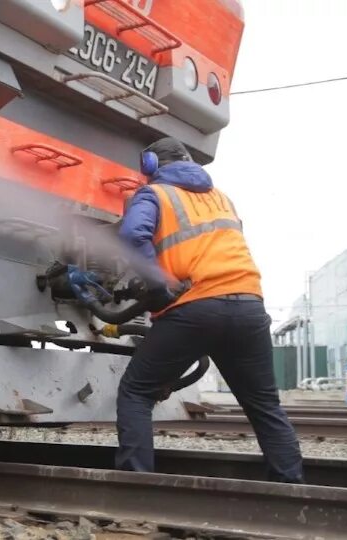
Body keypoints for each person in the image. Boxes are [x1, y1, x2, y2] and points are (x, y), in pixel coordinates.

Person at [115, 137, 305, 483]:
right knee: (264, 406)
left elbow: (131, 235)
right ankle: (292, 489)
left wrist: (156, 282)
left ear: (153, 166)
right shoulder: (222, 199)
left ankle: (136, 486)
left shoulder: (155, 194)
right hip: (249, 306)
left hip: (194, 307)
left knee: (136, 392)